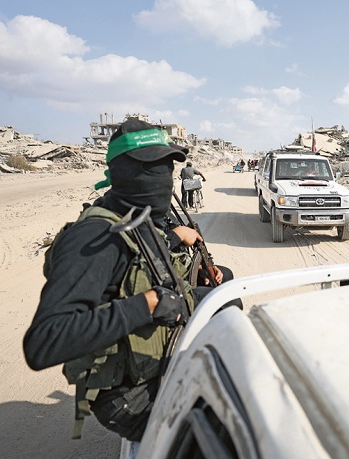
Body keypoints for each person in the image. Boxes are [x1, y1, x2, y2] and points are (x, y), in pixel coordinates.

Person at [22, 118, 238, 443]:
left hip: (156, 355)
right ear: (123, 172)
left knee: (226, 293)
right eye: (151, 169)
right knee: (236, 422)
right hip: (129, 394)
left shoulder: (136, 213)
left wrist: (178, 244)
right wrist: (146, 305)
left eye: (167, 169)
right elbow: (44, 341)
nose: (162, 180)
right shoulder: (95, 238)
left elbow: (144, 260)